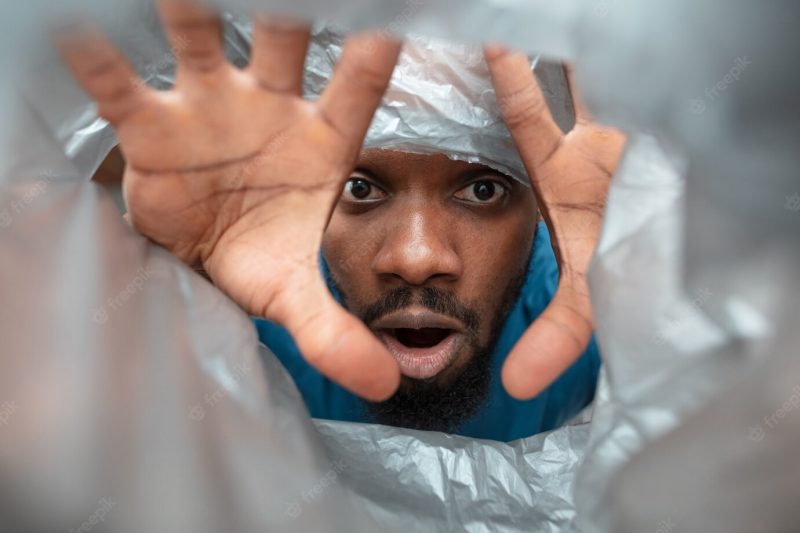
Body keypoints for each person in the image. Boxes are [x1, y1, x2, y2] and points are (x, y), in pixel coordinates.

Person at [58, 0, 625, 441]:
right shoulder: (240, 315)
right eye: (359, 188)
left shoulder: (599, 294)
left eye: (483, 188)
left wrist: (651, 283)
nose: (415, 257)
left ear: (539, 209)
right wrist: (154, 280)